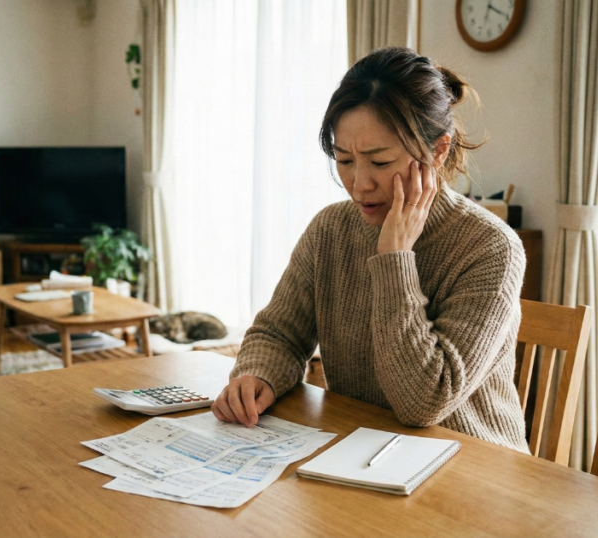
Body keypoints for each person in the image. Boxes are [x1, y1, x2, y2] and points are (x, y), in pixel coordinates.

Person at [211, 47, 529, 453]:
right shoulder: (331, 229)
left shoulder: (490, 248)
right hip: (364, 451)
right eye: (344, 160)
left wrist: (395, 257)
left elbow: (423, 402)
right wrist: (258, 375)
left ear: (437, 151)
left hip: (473, 471)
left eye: (379, 162)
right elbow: (279, 333)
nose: (359, 183)